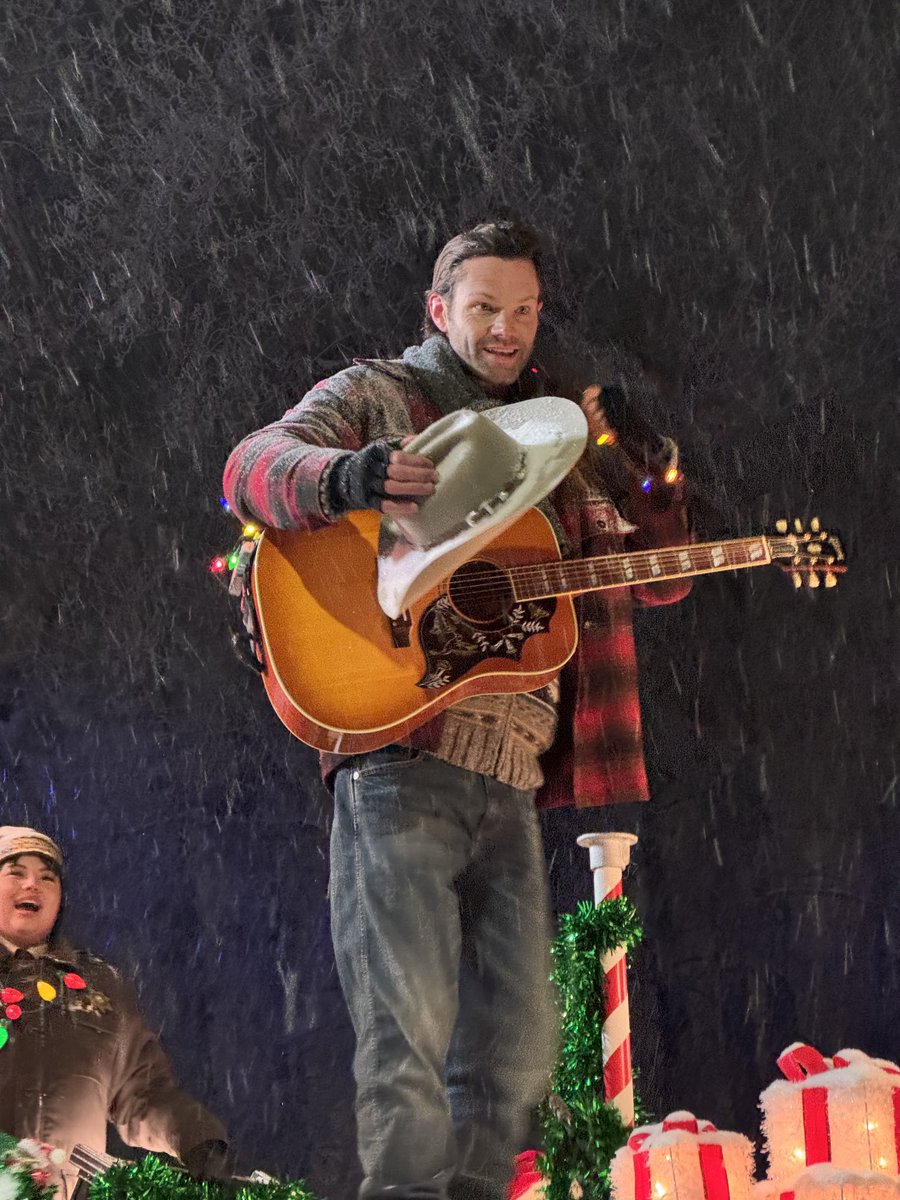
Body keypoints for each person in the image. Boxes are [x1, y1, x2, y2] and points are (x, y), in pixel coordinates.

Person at [223, 220, 691, 1200]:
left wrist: (651, 466)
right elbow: (255, 467)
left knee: (516, 1058)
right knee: (406, 1045)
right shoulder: (382, 395)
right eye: (485, 308)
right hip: (403, 752)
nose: (508, 329)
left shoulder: (559, 437)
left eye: (524, 310)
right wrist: (346, 476)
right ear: (439, 310)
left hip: (512, 781)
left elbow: (656, 578)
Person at [0, 826, 232, 1198]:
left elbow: (142, 1093)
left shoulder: (101, 983)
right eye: (15, 873)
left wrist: (196, 1137)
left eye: (48, 878)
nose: (33, 885)